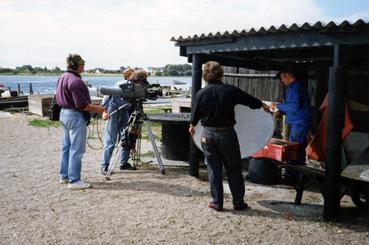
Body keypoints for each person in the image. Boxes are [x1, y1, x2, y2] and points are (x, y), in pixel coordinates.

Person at [189, 61, 268, 211]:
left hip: (208, 135)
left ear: (205, 76)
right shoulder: (230, 90)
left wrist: (192, 125)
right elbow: (249, 100)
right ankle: (238, 203)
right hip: (227, 134)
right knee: (233, 169)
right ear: (221, 74)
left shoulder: (200, 93)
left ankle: (217, 203)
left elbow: (194, 116)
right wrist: (261, 105)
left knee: (213, 169)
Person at [56, 54, 107, 190]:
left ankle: (64, 176)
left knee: (66, 147)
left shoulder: (62, 77)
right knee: (76, 150)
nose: (84, 66)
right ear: (77, 65)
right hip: (74, 115)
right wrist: (101, 109)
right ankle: (74, 180)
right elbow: (82, 105)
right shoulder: (76, 81)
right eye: (83, 64)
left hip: (64, 113)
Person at [100, 68, 137, 175]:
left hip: (124, 109)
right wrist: (104, 111)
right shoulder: (122, 84)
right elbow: (107, 95)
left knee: (127, 136)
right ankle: (105, 166)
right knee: (111, 138)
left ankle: (123, 163)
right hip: (114, 109)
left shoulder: (136, 86)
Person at [270, 70, 311, 164]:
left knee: (294, 149)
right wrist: (282, 111)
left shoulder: (295, 87)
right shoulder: (298, 86)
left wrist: (277, 106)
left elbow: (293, 106)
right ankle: (298, 173)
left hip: (299, 123)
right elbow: (294, 106)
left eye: (282, 79)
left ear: (286, 74)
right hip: (300, 122)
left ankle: (294, 173)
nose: (283, 82)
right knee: (299, 149)